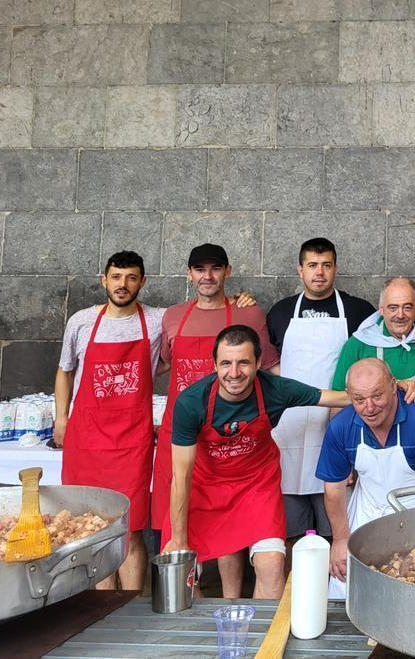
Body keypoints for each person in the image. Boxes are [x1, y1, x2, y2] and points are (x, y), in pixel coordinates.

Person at [162, 326, 350, 599]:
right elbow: (181, 475)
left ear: (259, 363)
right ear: (214, 364)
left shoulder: (276, 389)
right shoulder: (191, 403)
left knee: (273, 563)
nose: (234, 373)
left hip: (256, 487)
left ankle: (261, 640)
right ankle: (203, 639)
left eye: (244, 363)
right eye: (226, 363)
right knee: (181, 576)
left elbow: (334, 397)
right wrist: (179, 540)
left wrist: (389, 388)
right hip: (205, 489)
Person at [54, 251, 164, 591]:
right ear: (104, 280)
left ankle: (129, 605)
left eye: (131, 277)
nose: (123, 284)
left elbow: (196, 329)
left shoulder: (159, 320)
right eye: (116, 277)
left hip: (132, 441)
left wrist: (235, 300)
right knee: (92, 526)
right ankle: (102, 609)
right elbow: (64, 371)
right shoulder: (82, 321)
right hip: (87, 439)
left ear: (142, 282)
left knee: (130, 529)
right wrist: (62, 419)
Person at [152, 244, 275, 535]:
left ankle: (225, 584)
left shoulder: (250, 314)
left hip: (226, 436)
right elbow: (163, 364)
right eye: (200, 269)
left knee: (223, 523)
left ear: (227, 272)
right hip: (178, 433)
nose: (207, 276)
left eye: (215, 268)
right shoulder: (171, 316)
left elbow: (270, 369)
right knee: (176, 517)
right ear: (189, 275)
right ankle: (183, 579)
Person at [266, 238, 377, 547]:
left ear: (335, 269)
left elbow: (389, 337)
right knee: (291, 533)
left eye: (326, 265)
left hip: (338, 425)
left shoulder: (359, 311)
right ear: (300, 270)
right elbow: (267, 361)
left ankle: (335, 592)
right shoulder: (280, 312)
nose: (319, 273)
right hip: (290, 430)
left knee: (337, 529)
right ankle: (294, 593)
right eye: (312, 265)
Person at [320, 359, 415, 598]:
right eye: (359, 399)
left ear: (394, 386)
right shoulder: (341, 427)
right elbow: (334, 489)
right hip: (367, 513)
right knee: (346, 589)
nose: (369, 407)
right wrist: (340, 540)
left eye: (377, 396)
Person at [331, 277, 415, 402]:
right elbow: (338, 398)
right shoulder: (358, 345)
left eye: (407, 307)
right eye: (393, 308)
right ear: (381, 310)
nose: (400, 315)